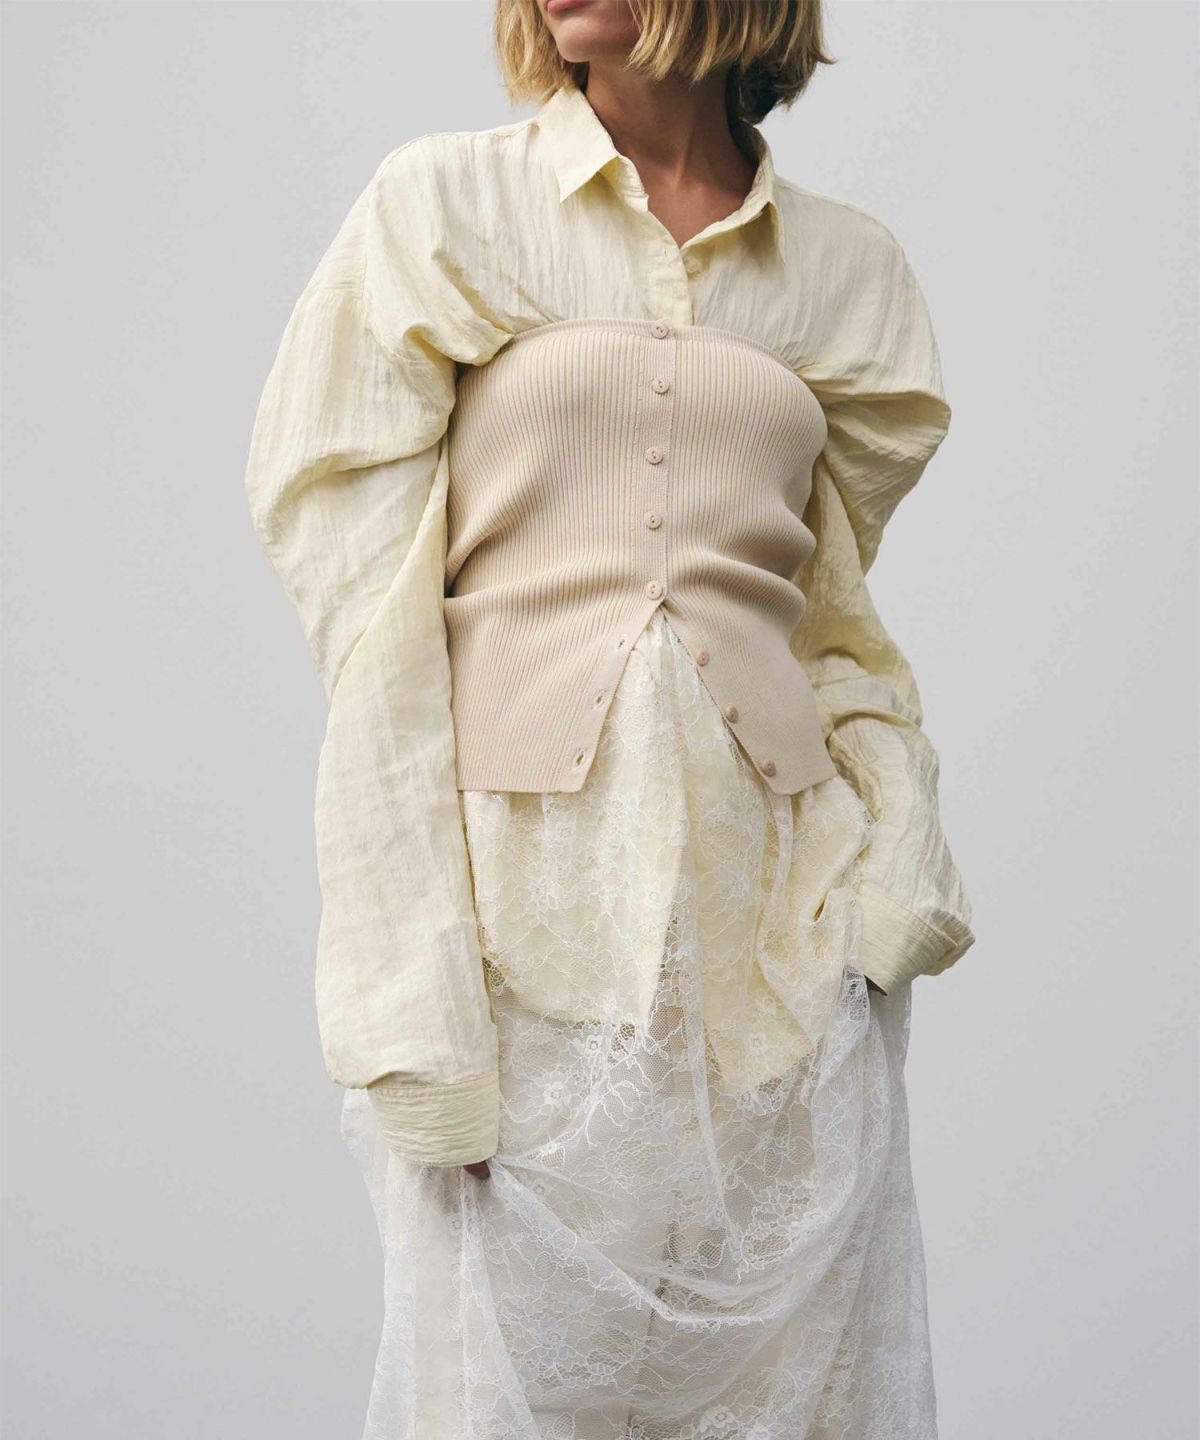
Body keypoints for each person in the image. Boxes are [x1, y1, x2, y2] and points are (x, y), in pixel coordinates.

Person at [243, 0, 976, 1434]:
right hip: (526, 925)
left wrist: (895, 864)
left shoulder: (848, 272)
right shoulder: (446, 207)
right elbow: (376, 640)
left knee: (791, 1401)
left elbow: (832, 631)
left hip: (778, 939)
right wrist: (411, 997)